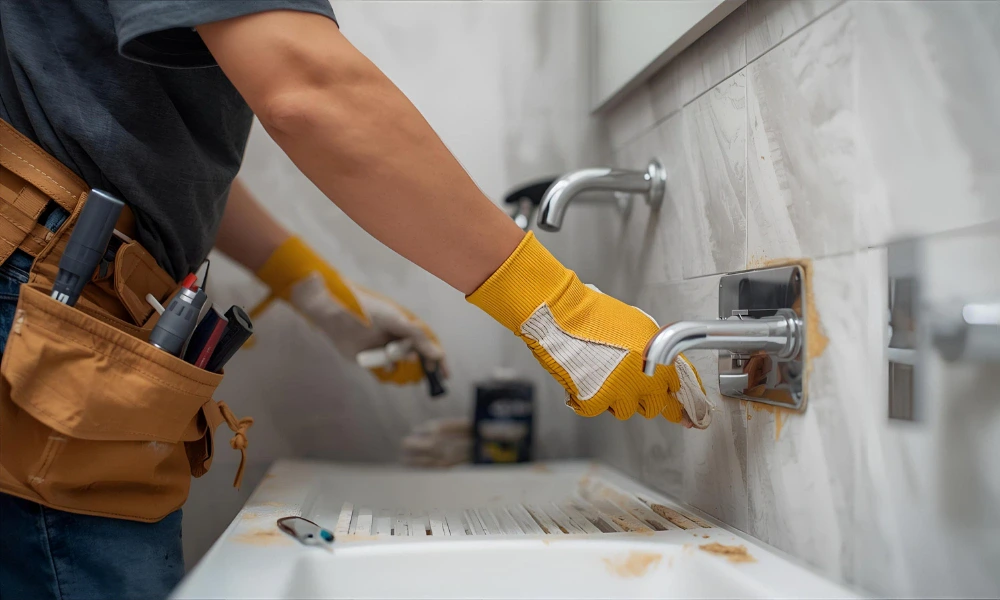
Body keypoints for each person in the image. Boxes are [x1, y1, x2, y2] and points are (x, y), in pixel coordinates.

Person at [0, 1, 712, 598]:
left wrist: (312, 288)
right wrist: (559, 310)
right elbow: (304, 87)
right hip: (42, 290)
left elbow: (134, 141)